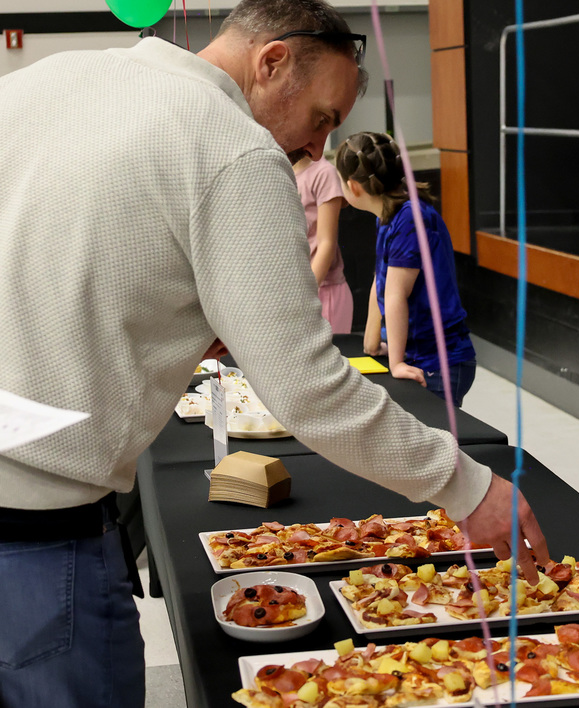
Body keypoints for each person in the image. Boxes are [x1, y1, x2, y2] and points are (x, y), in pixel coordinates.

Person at [0, 2, 548, 705]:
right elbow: (309, 389)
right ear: (273, 62)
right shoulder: (233, 146)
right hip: (38, 532)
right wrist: (468, 486)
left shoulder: (45, 80)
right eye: (322, 119)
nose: (319, 151)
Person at [336, 132, 477, 406]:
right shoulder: (388, 215)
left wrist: (397, 362)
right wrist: (372, 341)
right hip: (420, 353)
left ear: (353, 187)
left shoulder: (410, 218)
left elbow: (396, 294)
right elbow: (382, 278)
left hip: (438, 360)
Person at [292, 153, 355, 333]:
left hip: (323, 291)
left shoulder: (323, 173)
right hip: (293, 292)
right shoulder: (280, 172)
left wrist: (302, 296)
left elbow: (326, 243)